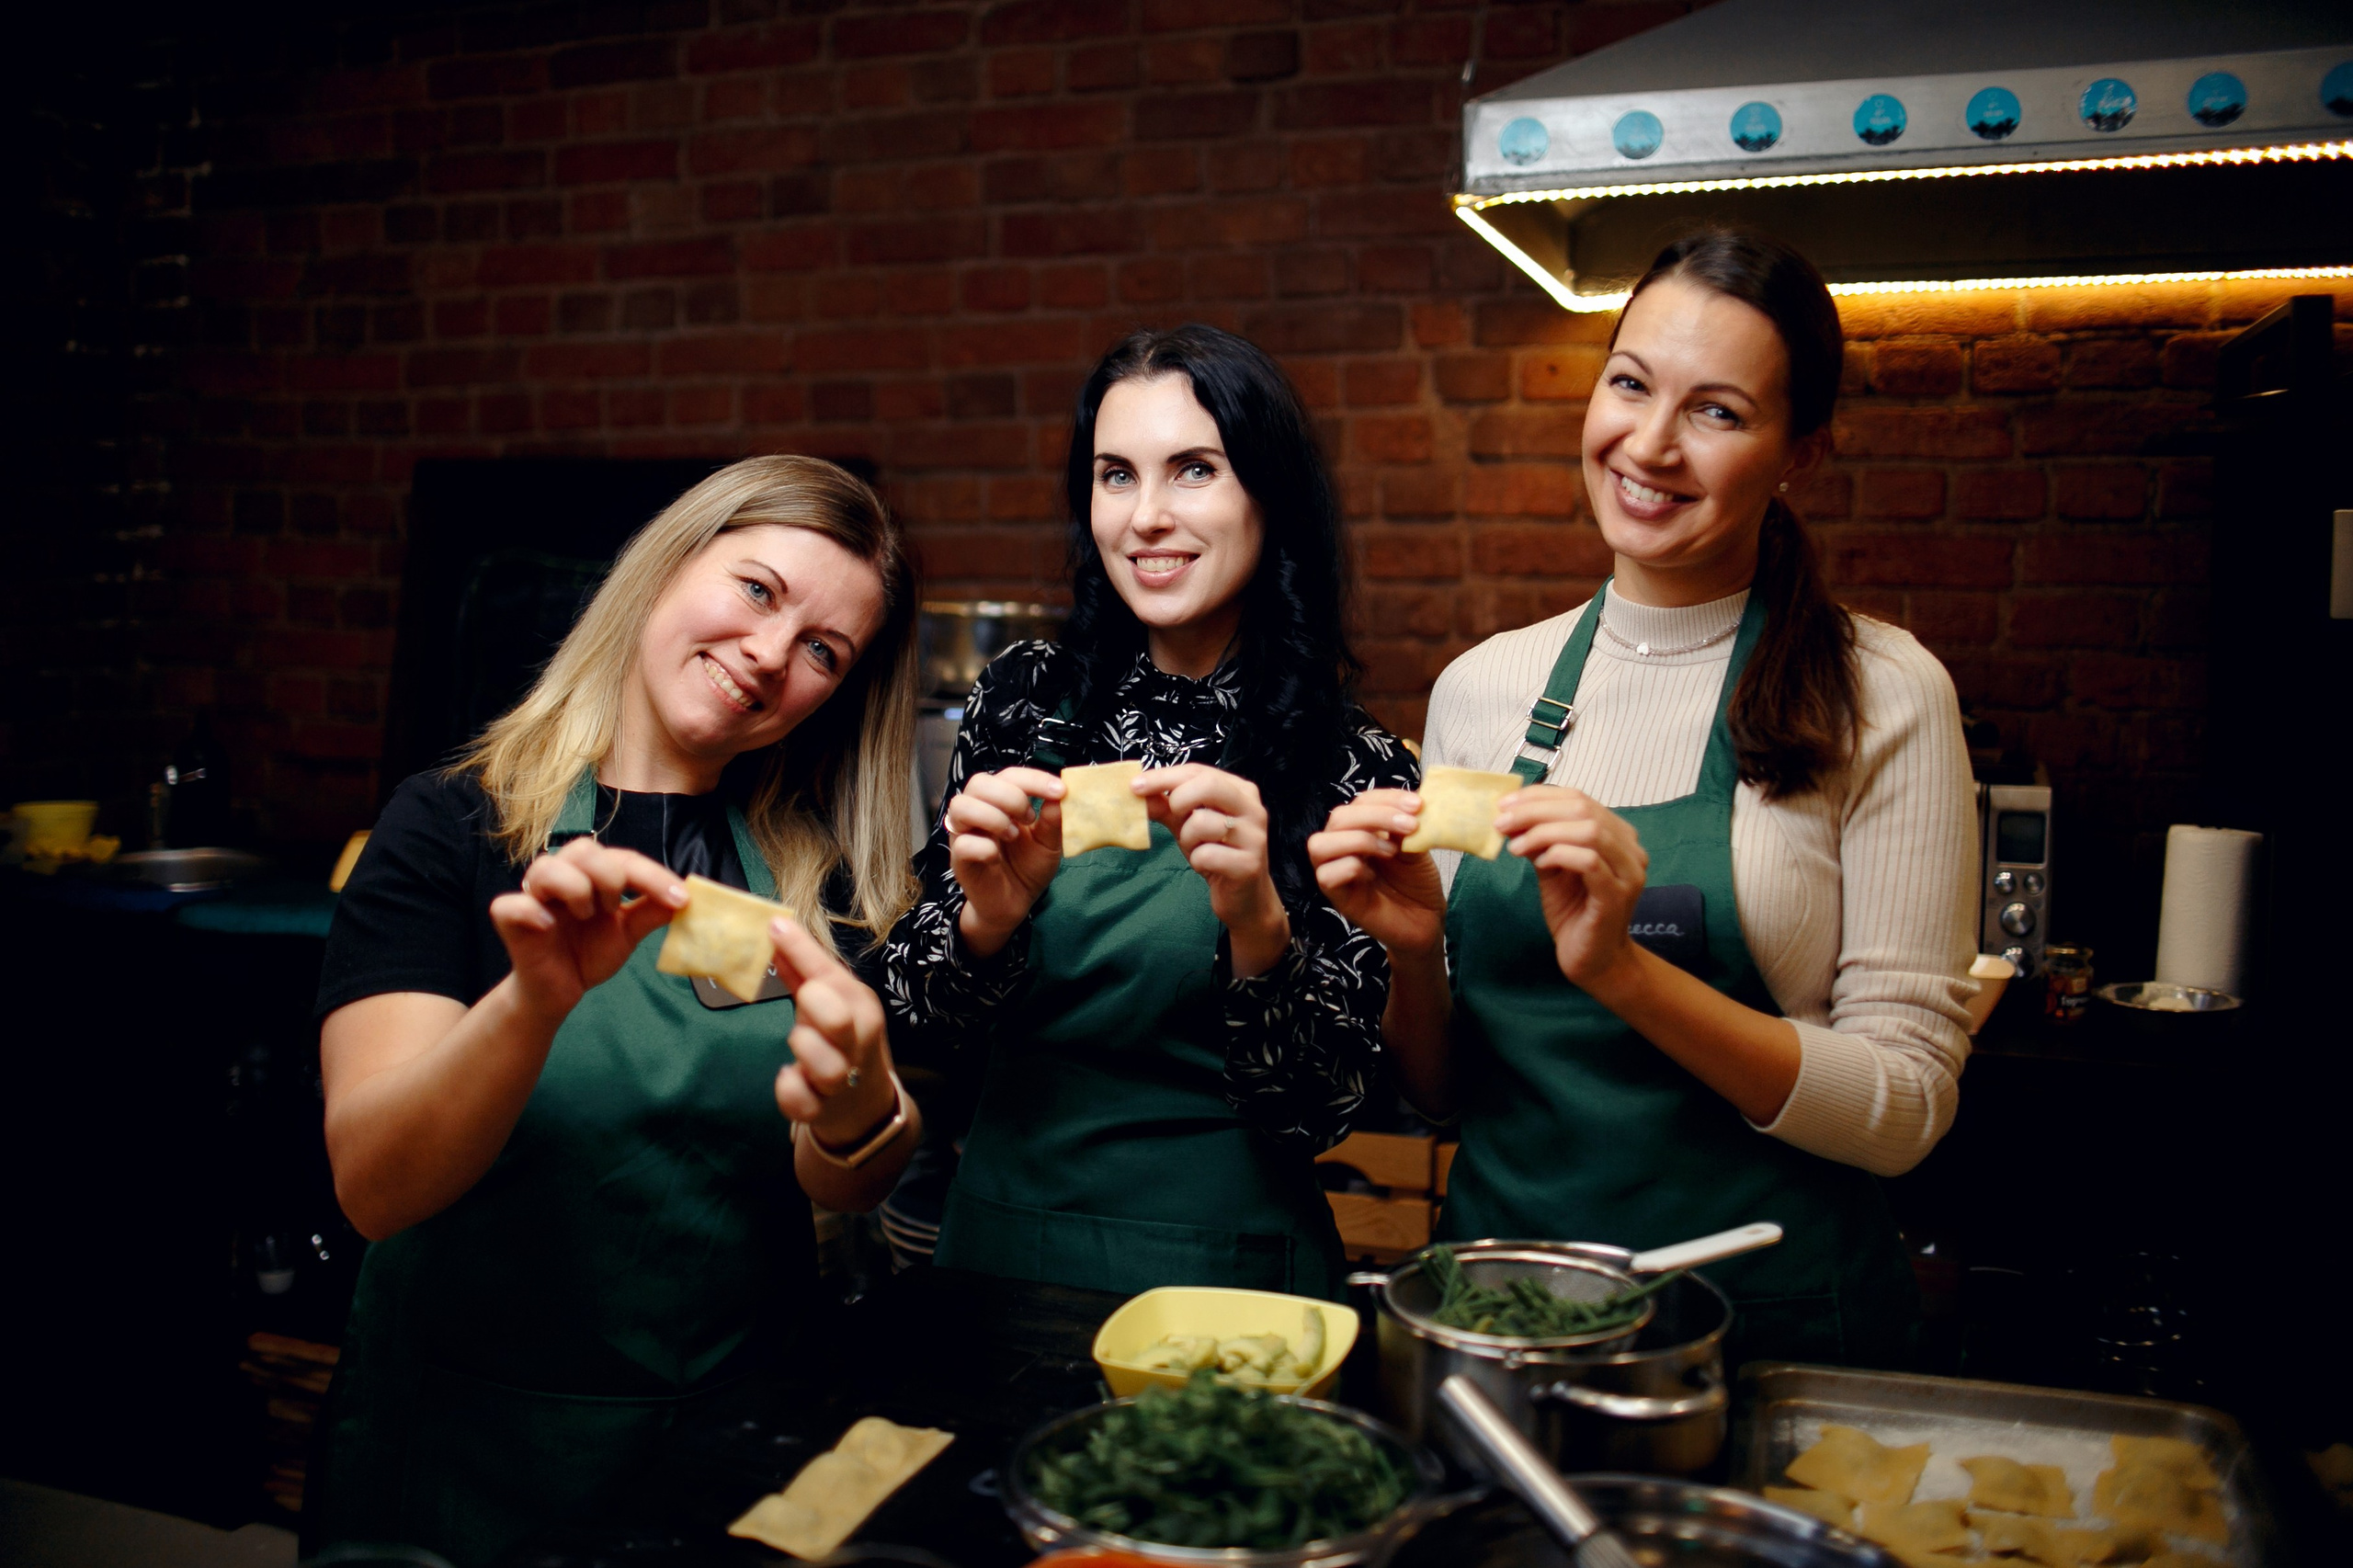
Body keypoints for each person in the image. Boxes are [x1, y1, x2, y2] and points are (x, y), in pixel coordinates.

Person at [1310, 229, 1976, 1368]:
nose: (1650, 444)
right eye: (1630, 384)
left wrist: (1621, 968)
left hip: (1769, 1334)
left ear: (1798, 453)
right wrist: (1414, 954)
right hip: (1501, 1322)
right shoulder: (1484, 689)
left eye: (1717, 411)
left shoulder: (1881, 690)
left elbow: (1906, 1107)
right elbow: (1448, 1097)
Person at [307, 457, 926, 1566]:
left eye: (823, 650)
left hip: (732, 1446)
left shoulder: (818, 885)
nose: (771, 655)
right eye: (757, 589)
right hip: (471, 1456)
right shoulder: (451, 830)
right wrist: (535, 998)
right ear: (667, 564)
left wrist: (860, 1104)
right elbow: (374, 1185)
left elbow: (840, 1179)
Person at [883, 324, 1416, 1301]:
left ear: (1269, 494)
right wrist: (984, 919)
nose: (1147, 517)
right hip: (1001, 1257)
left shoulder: (1354, 765)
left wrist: (1258, 926)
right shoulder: (1024, 702)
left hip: (1232, 1283)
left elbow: (1322, 1110)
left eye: (1194, 471)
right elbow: (912, 1020)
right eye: (1116, 475)